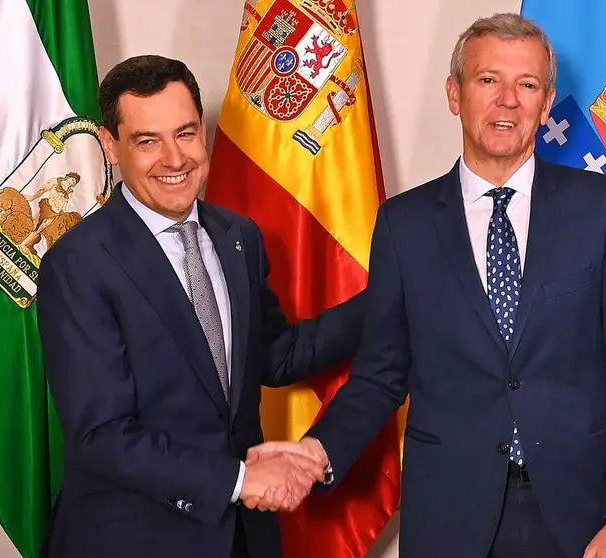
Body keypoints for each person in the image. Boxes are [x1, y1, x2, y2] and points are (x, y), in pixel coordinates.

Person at [249, 13, 606, 558]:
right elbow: (381, 375)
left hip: (582, 521)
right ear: (455, 93)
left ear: (546, 105)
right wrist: (316, 453)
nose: (508, 101)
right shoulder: (405, 225)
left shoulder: (603, 210)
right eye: (488, 80)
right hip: (449, 518)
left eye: (528, 85)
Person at [36, 55, 363, 558]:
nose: (174, 159)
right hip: (132, 541)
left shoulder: (238, 237)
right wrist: (240, 479)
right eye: (148, 141)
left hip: (241, 540)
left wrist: (387, 302)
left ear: (204, 131)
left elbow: (273, 355)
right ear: (111, 146)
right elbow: (102, 435)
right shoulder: (78, 264)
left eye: (185, 134)